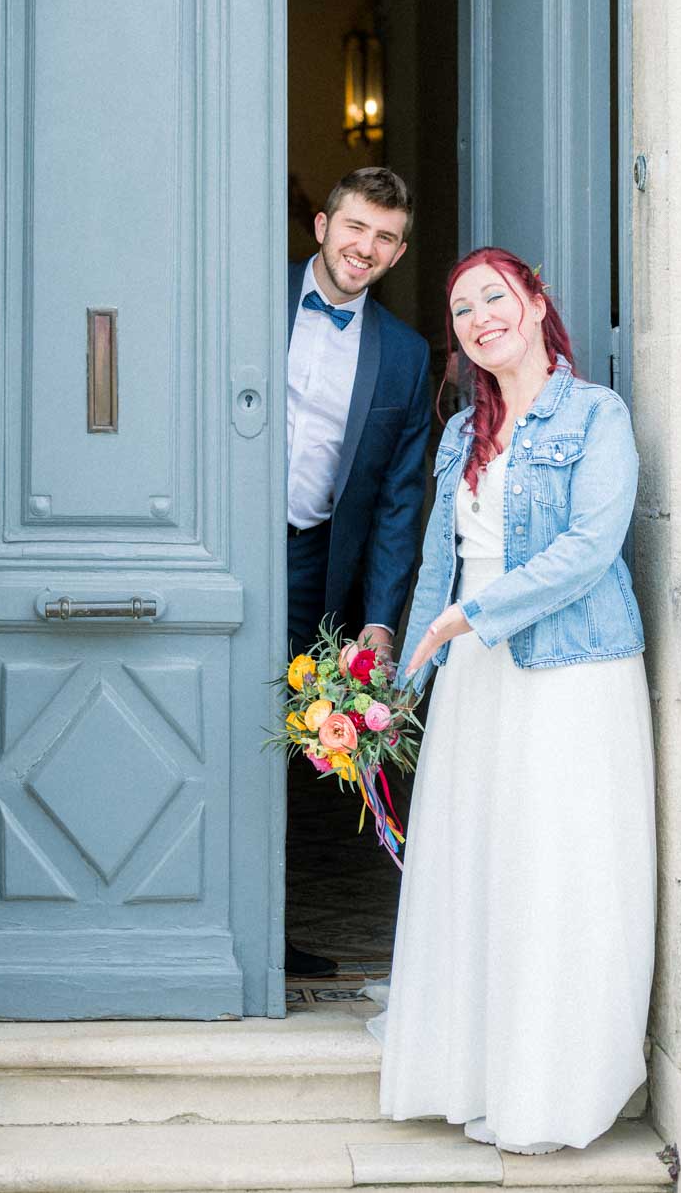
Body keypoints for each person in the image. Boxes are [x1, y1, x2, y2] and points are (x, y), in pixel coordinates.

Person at [377, 247, 656, 1153]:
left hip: (568, 668)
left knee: (554, 872)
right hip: (473, 668)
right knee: (479, 870)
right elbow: (436, 562)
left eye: (494, 298)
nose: (479, 318)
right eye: (461, 311)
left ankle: (554, 1091)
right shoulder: (462, 430)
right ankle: (475, 1074)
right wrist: (400, 686)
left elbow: (590, 548)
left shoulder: (596, 414)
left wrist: (475, 616)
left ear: (537, 303)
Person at [285, 166, 432, 976]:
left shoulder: (405, 359)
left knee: (284, 741)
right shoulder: (245, 295)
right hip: (224, 544)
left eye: (384, 238)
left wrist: (380, 616)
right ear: (321, 226)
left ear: (399, 253)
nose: (364, 248)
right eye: (354, 228)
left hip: (316, 561)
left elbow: (398, 504)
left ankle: (261, 922)